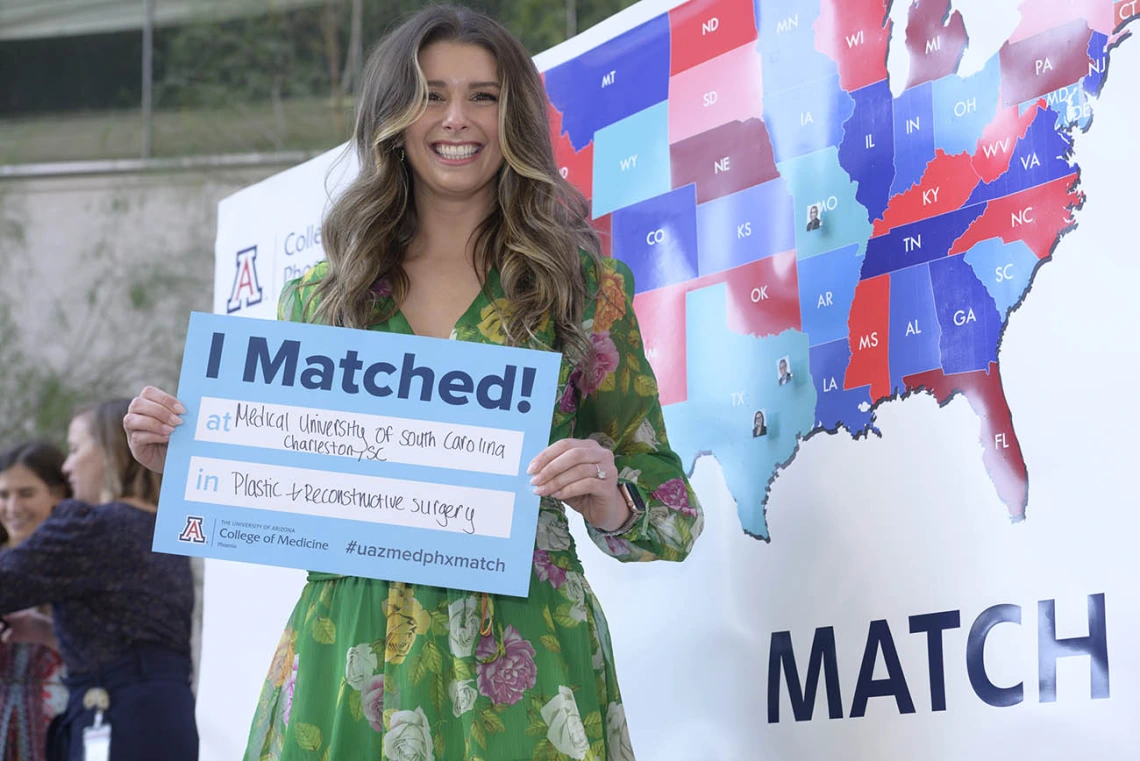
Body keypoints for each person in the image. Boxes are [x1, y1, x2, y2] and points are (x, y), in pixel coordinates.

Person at [124, 5, 703, 759]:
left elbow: (672, 512)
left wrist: (610, 495)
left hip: (525, 663)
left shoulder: (583, 289)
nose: (456, 118)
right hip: (352, 658)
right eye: (431, 94)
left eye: (483, 95)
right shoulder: (319, 300)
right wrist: (190, 460)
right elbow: (278, 487)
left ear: (514, 114)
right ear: (392, 116)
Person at [0, 401, 197, 761]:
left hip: (114, 720)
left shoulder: (92, 526)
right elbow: (134, 638)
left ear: (108, 450)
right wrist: (48, 632)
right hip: (168, 721)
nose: (66, 465)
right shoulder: (164, 531)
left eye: (76, 449)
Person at [0, 442, 70, 761]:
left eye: (26, 493)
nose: (13, 507)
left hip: (63, 727)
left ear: (58, 493)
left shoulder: (81, 566)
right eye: (3, 495)